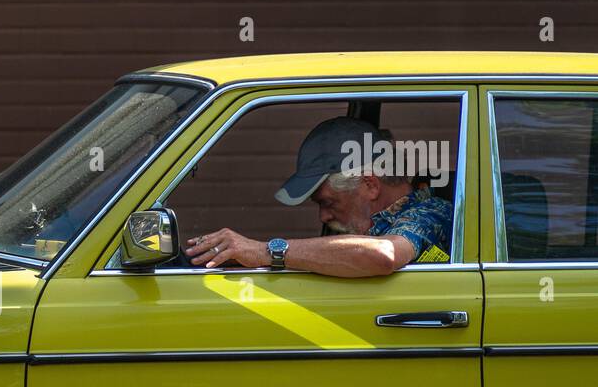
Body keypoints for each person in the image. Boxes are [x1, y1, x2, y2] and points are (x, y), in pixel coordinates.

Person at [183, 116, 453, 278]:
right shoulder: (374, 225)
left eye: (328, 202)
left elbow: (386, 255)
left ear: (370, 184)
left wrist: (264, 251)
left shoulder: (429, 213)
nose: (323, 216)